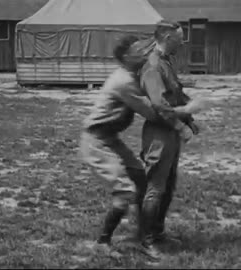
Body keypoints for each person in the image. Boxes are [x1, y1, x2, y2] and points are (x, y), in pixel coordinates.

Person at [79, 35, 199, 247]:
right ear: (126, 56)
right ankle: (103, 242)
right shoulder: (124, 81)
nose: (144, 52)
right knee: (126, 191)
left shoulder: (133, 74)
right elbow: (153, 113)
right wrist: (185, 111)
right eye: (138, 50)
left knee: (142, 183)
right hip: (96, 141)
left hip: (110, 138)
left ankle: (143, 237)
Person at [138, 19, 209, 260]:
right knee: (155, 188)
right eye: (179, 38)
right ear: (167, 38)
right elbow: (159, 105)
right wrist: (181, 126)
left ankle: (158, 233)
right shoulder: (153, 66)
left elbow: (175, 94)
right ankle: (146, 241)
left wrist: (189, 119)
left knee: (167, 187)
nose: (183, 42)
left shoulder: (167, 62)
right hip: (159, 133)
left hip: (169, 131)